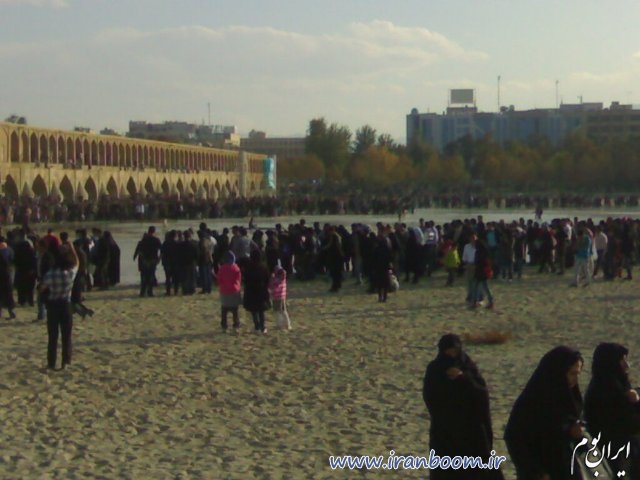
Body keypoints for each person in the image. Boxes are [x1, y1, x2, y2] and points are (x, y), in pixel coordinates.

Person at [422, 334, 504, 480]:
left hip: (471, 429)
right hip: (445, 430)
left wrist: (463, 378)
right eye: (448, 351)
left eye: (454, 351)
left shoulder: (468, 366)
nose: (451, 354)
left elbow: (481, 393)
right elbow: (430, 396)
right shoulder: (435, 368)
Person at [505, 346, 585, 480]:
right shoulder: (532, 401)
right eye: (572, 374)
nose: (575, 379)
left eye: (578, 374)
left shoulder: (569, 399)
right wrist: (536, 472)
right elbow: (514, 438)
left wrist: (576, 434)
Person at [584, 343, 640, 477]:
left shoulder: (618, 387)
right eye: (622, 361)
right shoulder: (604, 394)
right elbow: (627, 423)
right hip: (614, 455)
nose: (627, 366)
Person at [39, 237, 79, 370]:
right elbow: (77, 263)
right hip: (66, 305)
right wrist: (72, 249)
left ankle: (51, 363)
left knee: (53, 337)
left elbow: (41, 288)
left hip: (53, 306)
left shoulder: (50, 274)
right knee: (66, 336)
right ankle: (65, 362)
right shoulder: (69, 273)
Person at [243, 249, 270, 334]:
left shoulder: (248, 267)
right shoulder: (263, 267)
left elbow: (245, 280)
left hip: (251, 291)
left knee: (254, 310)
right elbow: (267, 279)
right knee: (261, 310)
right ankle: (263, 327)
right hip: (261, 291)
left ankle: (257, 326)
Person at [133, 226, 162, 297]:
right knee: (151, 276)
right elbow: (162, 250)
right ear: (154, 231)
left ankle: (142, 292)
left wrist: (142, 259)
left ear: (148, 231)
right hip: (153, 260)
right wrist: (159, 259)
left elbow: (139, 251)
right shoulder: (156, 240)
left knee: (144, 277)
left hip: (145, 261)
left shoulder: (144, 240)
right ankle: (150, 292)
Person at [217, 251, 242, 332]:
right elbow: (239, 279)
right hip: (234, 290)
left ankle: (224, 326)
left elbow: (219, 280)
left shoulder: (222, 268)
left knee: (224, 309)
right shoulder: (236, 268)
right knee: (235, 310)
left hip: (224, 291)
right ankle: (236, 326)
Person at [269, 265, 291, 330]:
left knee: (278, 311)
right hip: (282, 297)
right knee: (283, 311)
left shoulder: (276, 280)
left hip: (276, 297)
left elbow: (271, 285)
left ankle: (280, 324)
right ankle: (287, 324)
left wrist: (271, 278)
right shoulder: (283, 279)